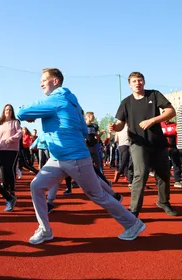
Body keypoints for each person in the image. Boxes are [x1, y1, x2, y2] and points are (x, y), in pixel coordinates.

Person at [17, 68, 145, 245]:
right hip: (58, 158)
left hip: (74, 158)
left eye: (44, 80)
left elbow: (22, 113)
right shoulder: (73, 102)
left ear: (55, 81)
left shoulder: (57, 98)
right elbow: (84, 130)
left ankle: (133, 223)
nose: (40, 83)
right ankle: (45, 230)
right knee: (36, 186)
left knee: (97, 195)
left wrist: (28, 113)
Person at [109, 72, 178, 217]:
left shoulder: (154, 95)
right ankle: (134, 210)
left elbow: (171, 111)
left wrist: (152, 120)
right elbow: (120, 124)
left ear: (144, 82)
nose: (137, 83)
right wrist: (115, 128)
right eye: (134, 81)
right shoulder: (126, 102)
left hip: (158, 142)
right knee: (141, 174)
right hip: (138, 144)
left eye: (140, 80)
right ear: (129, 84)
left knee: (164, 174)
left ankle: (164, 202)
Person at [0, 104, 22, 196]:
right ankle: (4, 189)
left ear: (12, 112)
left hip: (13, 150)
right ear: (3, 112)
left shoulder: (15, 122)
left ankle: (11, 189)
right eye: (6, 110)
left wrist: (11, 138)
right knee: (3, 169)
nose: (8, 111)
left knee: (10, 169)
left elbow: (19, 133)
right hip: (1, 149)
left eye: (10, 110)